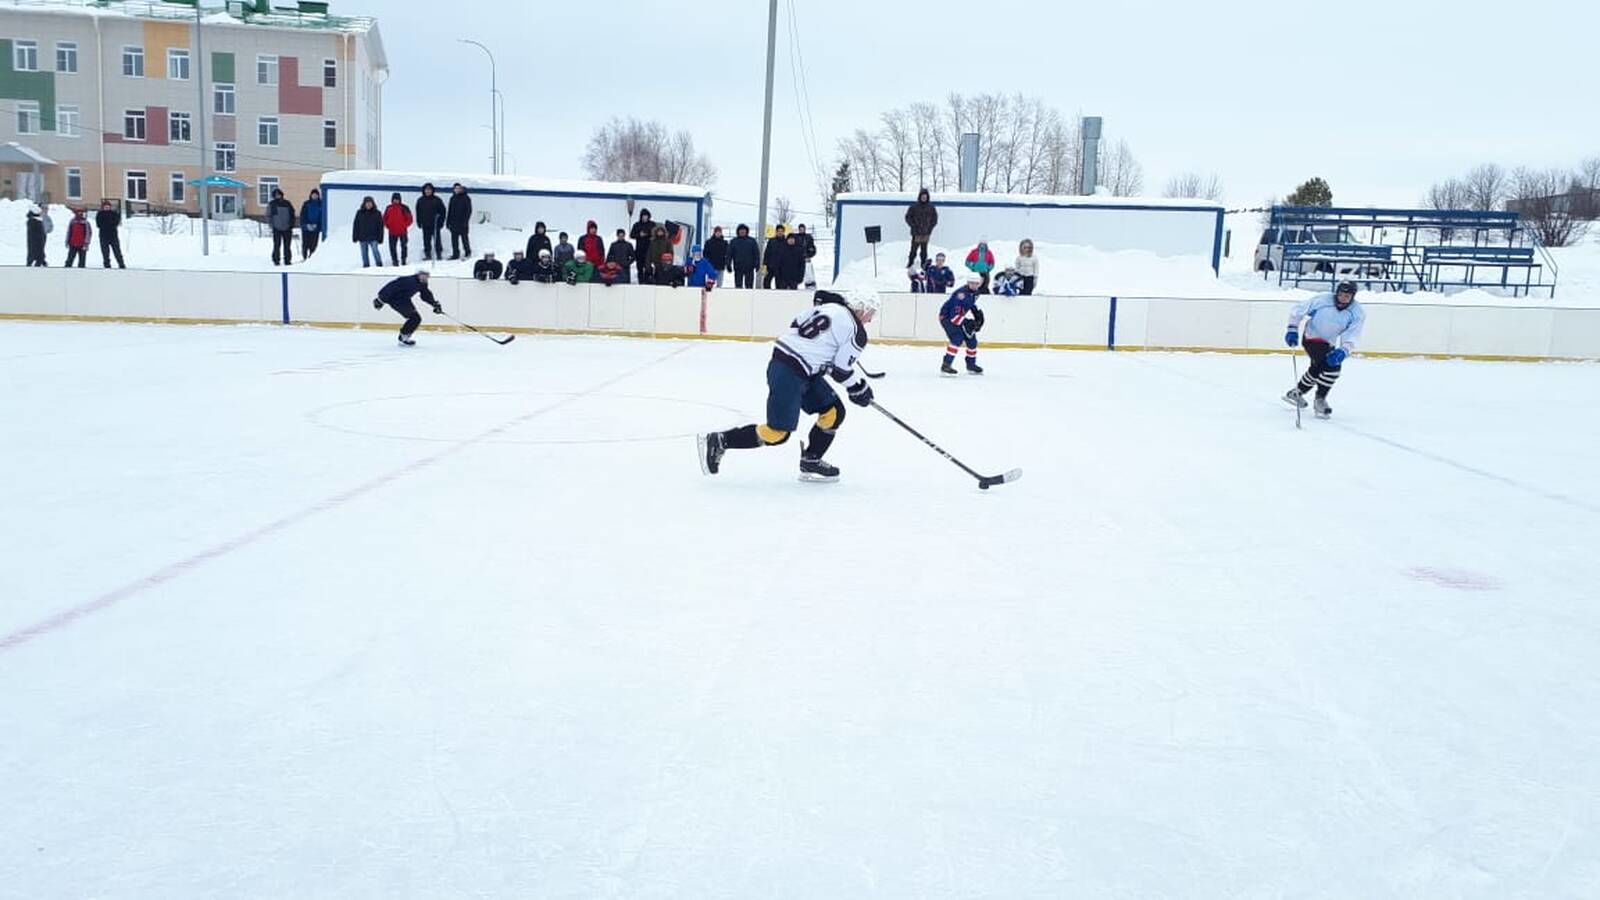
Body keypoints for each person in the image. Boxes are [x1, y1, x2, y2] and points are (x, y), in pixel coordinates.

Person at [697, 289, 879, 483]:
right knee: (778, 433)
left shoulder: (829, 307)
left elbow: (797, 325)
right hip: (790, 373)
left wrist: (821, 357)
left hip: (789, 365)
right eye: (871, 314)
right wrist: (859, 388)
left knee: (833, 411)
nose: (870, 320)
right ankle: (719, 440)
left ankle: (812, 460)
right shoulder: (857, 332)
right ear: (863, 309)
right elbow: (841, 370)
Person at [1284, 280, 1366, 419]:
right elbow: (1298, 311)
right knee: (1332, 368)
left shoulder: (1357, 313)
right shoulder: (1322, 300)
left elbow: (1353, 334)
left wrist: (1343, 350)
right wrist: (1292, 329)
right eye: (1341, 294)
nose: (1343, 298)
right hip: (1311, 337)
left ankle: (1296, 393)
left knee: (1318, 368)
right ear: (1337, 293)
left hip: (1329, 343)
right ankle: (1320, 400)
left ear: (1353, 297)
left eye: (1347, 296)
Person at [372, 268, 441, 346]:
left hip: (405, 300)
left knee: (416, 318)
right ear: (418, 275)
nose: (426, 278)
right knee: (415, 318)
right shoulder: (408, 280)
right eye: (424, 275)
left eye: (427, 276)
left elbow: (425, 295)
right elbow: (390, 287)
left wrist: (434, 304)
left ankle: (404, 336)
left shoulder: (423, 283)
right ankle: (403, 337)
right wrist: (380, 300)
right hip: (395, 300)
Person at [939, 272, 986, 375]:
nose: (974, 285)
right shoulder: (960, 295)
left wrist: (976, 313)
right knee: (957, 338)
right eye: (972, 283)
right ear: (968, 283)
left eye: (976, 283)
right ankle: (946, 365)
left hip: (957, 317)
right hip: (946, 317)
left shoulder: (976, 293)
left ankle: (971, 365)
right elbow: (954, 318)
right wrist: (968, 322)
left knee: (972, 340)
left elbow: (970, 304)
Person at [905, 188, 938, 268]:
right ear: (920, 197)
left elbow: (935, 219)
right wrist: (913, 226)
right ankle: (910, 263)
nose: (924, 198)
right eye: (922, 196)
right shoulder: (914, 207)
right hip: (916, 233)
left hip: (926, 232)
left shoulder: (931, 207)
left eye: (925, 196)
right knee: (913, 249)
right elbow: (908, 217)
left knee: (924, 250)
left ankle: (923, 264)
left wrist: (930, 228)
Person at [416, 182, 445, 261]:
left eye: (429, 190)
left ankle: (439, 254)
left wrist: (441, 221)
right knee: (426, 240)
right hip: (425, 224)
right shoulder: (420, 200)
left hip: (435, 224)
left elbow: (443, 211)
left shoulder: (437, 200)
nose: (428, 191)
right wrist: (419, 222)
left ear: (432, 190)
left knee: (437, 240)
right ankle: (428, 254)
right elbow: (418, 212)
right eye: (426, 190)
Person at [351, 195, 383, 268]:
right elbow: (356, 225)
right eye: (367, 203)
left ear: (373, 203)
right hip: (362, 236)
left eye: (370, 203)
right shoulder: (359, 213)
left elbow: (380, 226)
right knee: (364, 253)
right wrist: (355, 236)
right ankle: (366, 265)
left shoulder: (377, 213)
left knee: (375, 250)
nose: (368, 204)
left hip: (374, 236)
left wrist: (380, 237)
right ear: (364, 204)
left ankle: (379, 264)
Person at [383, 192, 413, 266]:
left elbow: (410, 218)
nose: (395, 201)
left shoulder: (404, 207)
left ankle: (403, 259)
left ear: (400, 199)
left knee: (404, 246)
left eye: (397, 199)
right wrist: (388, 226)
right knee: (392, 247)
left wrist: (404, 225)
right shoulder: (388, 208)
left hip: (403, 231)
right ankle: (394, 260)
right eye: (394, 199)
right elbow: (384, 219)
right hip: (392, 231)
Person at [96, 199, 126, 269]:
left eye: (108, 206)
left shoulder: (114, 213)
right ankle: (107, 265)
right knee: (105, 252)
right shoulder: (100, 214)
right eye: (105, 206)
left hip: (113, 236)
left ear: (110, 207)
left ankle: (121, 264)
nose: (107, 207)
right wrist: (107, 224)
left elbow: (116, 222)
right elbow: (98, 224)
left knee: (117, 251)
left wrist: (111, 223)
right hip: (103, 236)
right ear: (103, 207)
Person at [446, 182, 472, 259]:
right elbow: (450, 211)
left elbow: (468, 211)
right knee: (454, 240)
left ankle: (468, 252)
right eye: (455, 188)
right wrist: (448, 222)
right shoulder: (452, 198)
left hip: (463, 224)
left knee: (465, 239)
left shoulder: (466, 198)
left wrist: (465, 222)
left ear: (461, 189)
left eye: (458, 188)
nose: (457, 190)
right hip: (453, 223)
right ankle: (455, 254)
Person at [730, 224, 760, 288]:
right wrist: (728, 264)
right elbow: (729, 254)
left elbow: (756, 253)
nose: (742, 232)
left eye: (744, 230)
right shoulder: (734, 241)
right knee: (738, 286)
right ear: (738, 231)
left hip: (749, 267)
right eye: (741, 230)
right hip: (738, 267)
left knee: (749, 286)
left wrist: (757, 264)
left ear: (747, 231)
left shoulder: (752, 241)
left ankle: (749, 297)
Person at [630, 209, 655, 281]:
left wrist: (649, 235)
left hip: (649, 250)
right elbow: (632, 235)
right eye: (643, 216)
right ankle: (640, 282)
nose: (644, 217)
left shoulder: (652, 224)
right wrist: (639, 235)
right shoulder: (637, 225)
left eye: (646, 216)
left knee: (648, 267)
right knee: (639, 268)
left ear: (648, 216)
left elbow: (655, 234)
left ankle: (648, 281)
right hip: (639, 250)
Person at [300, 189, 323, 260]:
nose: (314, 196)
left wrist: (318, 226)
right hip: (306, 228)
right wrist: (306, 224)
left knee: (313, 244)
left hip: (316, 228)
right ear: (310, 195)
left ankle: (311, 258)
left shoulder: (321, 204)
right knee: (305, 244)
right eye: (313, 194)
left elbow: (322, 217)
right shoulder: (306, 204)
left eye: (316, 195)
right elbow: (303, 215)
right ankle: (304, 257)